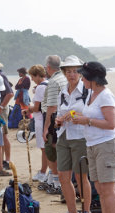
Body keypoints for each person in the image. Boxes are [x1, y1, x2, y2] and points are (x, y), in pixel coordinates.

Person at [72, 61, 115, 213]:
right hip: (93, 144)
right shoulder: (92, 93)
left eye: (84, 75)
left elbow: (111, 124)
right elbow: (91, 117)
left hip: (106, 145)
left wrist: (87, 121)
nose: (81, 78)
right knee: (100, 188)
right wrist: (81, 119)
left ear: (93, 78)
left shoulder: (106, 96)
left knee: (108, 189)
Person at [53, 55, 92, 213]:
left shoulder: (87, 91)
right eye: (68, 71)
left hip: (80, 137)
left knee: (81, 176)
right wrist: (58, 120)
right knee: (63, 175)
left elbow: (92, 114)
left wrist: (74, 115)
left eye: (75, 71)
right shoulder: (63, 92)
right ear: (64, 73)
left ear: (81, 73)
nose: (72, 74)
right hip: (64, 135)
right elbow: (60, 113)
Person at [41, 55, 67, 192]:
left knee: (51, 149)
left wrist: (45, 128)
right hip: (62, 117)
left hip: (54, 118)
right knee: (58, 149)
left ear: (48, 67)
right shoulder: (63, 78)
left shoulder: (53, 81)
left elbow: (51, 107)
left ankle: (57, 183)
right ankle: (54, 179)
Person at [23, 64, 49, 183]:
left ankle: (43, 172)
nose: (32, 79)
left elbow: (37, 108)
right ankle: (46, 171)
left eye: (32, 77)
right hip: (46, 118)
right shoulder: (49, 84)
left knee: (44, 148)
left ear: (37, 75)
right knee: (47, 147)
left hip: (40, 120)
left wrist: (28, 109)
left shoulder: (40, 88)